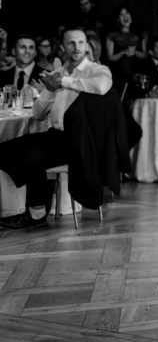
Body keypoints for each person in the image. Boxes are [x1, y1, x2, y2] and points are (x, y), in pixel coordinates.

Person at [0, 28, 112, 229]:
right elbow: (37, 114)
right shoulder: (57, 73)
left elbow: (102, 86)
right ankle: (44, 194)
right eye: (71, 43)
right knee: (4, 150)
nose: (76, 47)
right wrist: (50, 90)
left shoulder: (97, 70)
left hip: (82, 141)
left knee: (32, 156)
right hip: (56, 136)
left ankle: (36, 211)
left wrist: (65, 82)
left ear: (87, 46)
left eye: (80, 42)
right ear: (63, 47)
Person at [105, 5, 147, 86]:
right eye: (121, 14)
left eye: (127, 13)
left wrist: (134, 52)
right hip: (118, 73)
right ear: (118, 18)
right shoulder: (112, 35)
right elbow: (110, 57)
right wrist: (124, 52)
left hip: (138, 71)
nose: (125, 16)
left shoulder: (141, 33)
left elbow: (145, 55)